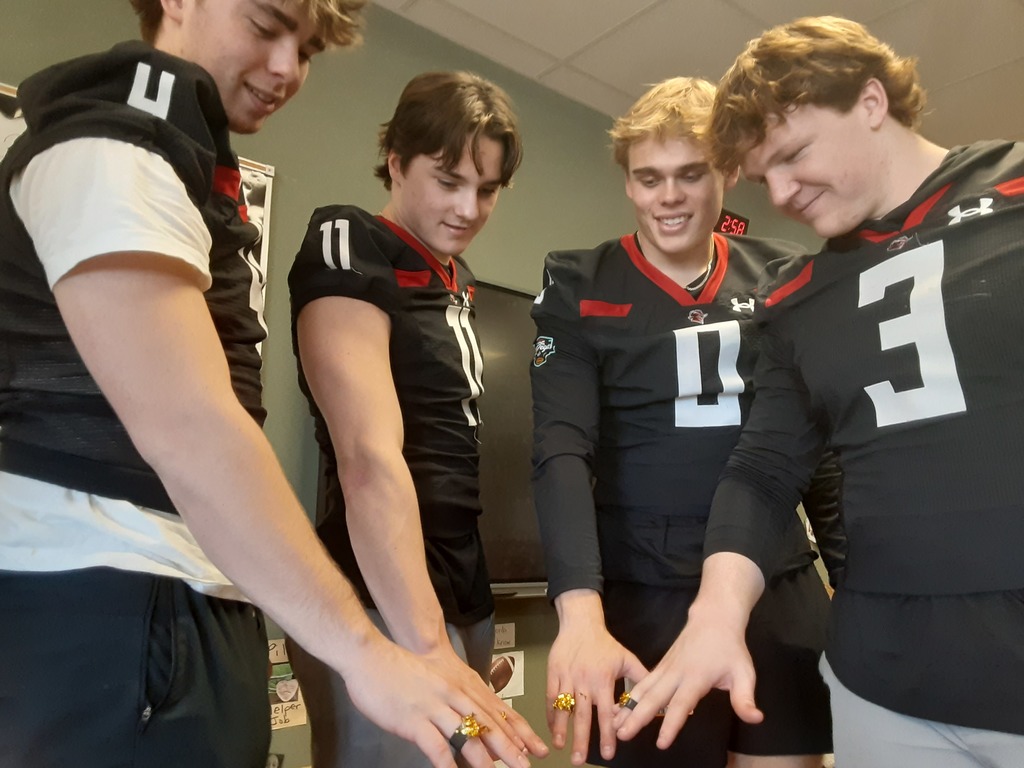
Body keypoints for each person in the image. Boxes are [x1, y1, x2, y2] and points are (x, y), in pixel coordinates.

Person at [0, 3, 545, 768]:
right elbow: (192, 427)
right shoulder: (115, 137)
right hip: (111, 599)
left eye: (309, 46)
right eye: (264, 25)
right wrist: (371, 648)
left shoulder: (184, 159)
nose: (289, 69)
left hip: (200, 592)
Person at [612, 16, 1024, 768]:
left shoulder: (1017, 188)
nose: (780, 192)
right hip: (885, 687)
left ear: (871, 101)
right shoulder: (795, 293)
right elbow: (765, 469)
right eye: (763, 174)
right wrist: (716, 613)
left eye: (794, 155)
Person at [530, 77, 844, 768]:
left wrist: (851, 584)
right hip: (640, 586)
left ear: (728, 170)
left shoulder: (784, 276)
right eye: (648, 178)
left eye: (689, 175)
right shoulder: (580, 282)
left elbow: (815, 452)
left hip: (772, 576)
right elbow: (560, 450)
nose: (667, 197)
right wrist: (578, 614)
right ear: (628, 183)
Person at [286, 70, 530, 768]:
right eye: (448, 179)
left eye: (487, 189)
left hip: (463, 580)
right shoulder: (349, 237)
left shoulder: (458, 277)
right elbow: (367, 456)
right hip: (377, 591)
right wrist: (425, 645)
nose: (469, 207)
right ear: (396, 161)